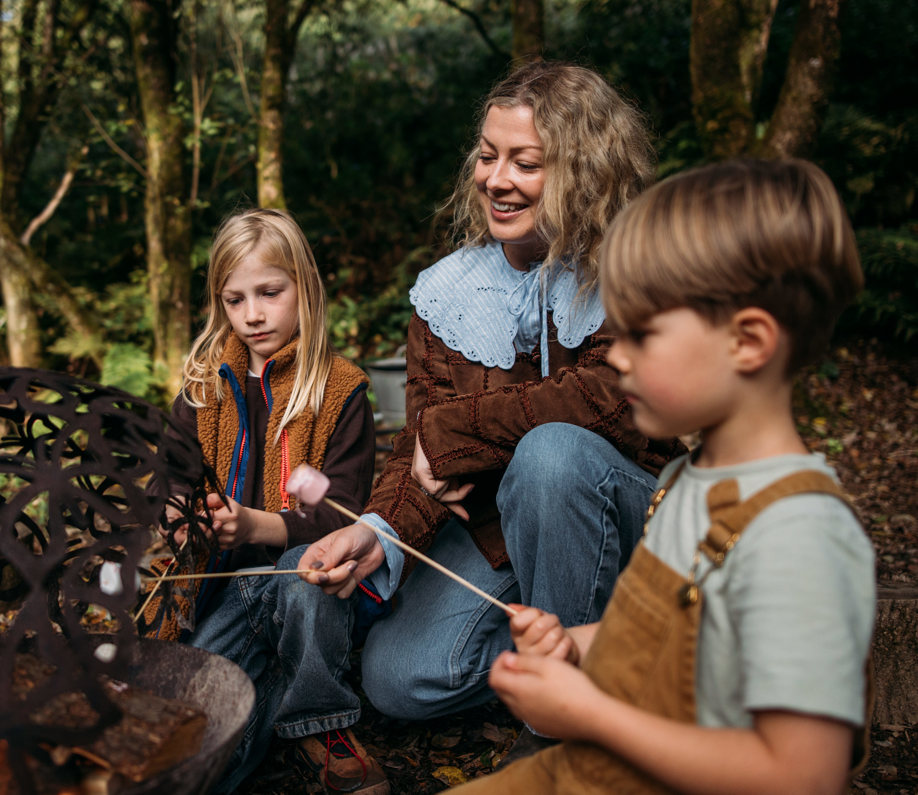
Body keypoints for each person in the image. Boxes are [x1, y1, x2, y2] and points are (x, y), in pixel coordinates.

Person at [446, 158, 874, 793]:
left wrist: (587, 713)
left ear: (749, 342)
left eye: (641, 333)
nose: (614, 353)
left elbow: (800, 775)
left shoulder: (798, 535)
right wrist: (573, 644)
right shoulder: (683, 479)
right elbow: (664, 641)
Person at [299, 61, 683, 742]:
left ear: (584, 171)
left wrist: (456, 431)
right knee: (401, 678)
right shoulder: (448, 292)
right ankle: (612, 654)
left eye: (525, 162)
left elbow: (611, 399)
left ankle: (570, 729)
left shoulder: (637, 265)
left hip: (633, 518)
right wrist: (376, 530)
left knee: (553, 454)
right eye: (487, 155)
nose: (496, 179)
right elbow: (420, 454)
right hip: (503, 528)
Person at [157, 208, 388, 794]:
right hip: (224, 587)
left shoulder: (337, 389)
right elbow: (172, 481)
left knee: (300, 577)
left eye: (269, 292)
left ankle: (321, 717)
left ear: (303, 289)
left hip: (304, 577)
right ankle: (273, 698)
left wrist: (258, 524)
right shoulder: (204, 388)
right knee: (201, 715)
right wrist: (179, 519)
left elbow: (339, 511)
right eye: (235, 300)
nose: (253, 314)